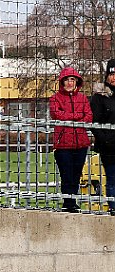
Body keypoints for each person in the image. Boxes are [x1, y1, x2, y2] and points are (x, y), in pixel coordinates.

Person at [49, 67, 93, 213]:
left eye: (72, 80)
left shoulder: (83, 98)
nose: (69, 83)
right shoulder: (55, 98)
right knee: (66, 174)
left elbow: (88, 117)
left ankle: (72, 201)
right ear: (62, 82)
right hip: (63, 144)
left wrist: (71, 117)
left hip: (80, 143)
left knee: (76, 174)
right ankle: (67, 202)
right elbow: (57, 114)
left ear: (76, 82)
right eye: (67, 80)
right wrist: (76, 116)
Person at [90, 59, 115, 216]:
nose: (114, 77)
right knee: (112, 177)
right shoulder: (100, 97)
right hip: (109, 147)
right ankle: (113, 206)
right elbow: (94, 122)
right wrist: (105, 140)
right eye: (111, 74)